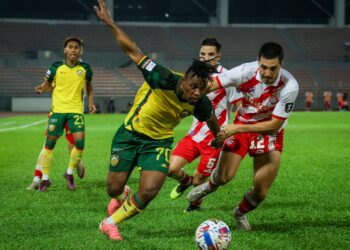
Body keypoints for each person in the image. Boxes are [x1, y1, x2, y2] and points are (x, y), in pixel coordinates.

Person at [94, 0, 220, 241]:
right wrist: (110, 23)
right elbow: (133, 51)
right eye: (193, 87)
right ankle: (121, 196)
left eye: (201, 90)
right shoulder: (162, 77)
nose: (196, 93)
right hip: (130, 134)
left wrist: (219, 138)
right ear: (184, 79)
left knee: (150, 190)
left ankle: (109, 223)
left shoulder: (200, 102)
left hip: (158, 142)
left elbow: (212, 119)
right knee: (113, 188)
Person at [187, 42, 299, 231]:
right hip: (243, 124)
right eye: (263, 67)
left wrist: (235, 129)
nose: (267, 73)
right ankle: (208, 187)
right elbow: (213, 84)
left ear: (281, 64)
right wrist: (192, 95)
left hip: (268, 132)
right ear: (258, 62)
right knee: (223, 177)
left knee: (261, 191)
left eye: (273, 68)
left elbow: (275, 124)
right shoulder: (245, 72)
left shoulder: (290, 86)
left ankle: (239, 213)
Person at [168, 38, 242, 212]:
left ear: (218, 56)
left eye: (210, 54)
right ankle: (185, 181)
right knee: (170, 169)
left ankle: (195, 204)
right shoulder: (193, 74)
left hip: (214, 138)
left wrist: (233, 130)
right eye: (202, 54)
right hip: (194, 134)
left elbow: (240, 105)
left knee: (199, 179)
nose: (205, 58)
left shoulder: (227, 77)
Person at [33, 36, 96, 192]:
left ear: (80, 51)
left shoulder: (86, 68)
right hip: (58, 111)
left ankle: (69, 173)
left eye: (76, 47)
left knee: (79, 143)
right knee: (49, 144)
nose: (73, 50)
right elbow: (47, 85)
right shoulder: (55, 67)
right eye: (70, 47)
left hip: (75, 110)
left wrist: (91, 102)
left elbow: (89, 87)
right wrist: (41, 88)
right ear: (65, 49)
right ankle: (45, 179)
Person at [27, 116, 86, 191]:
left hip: (73, 112)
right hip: (58, 112)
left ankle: (75, 163)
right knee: (47, 146)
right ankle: (36, 180)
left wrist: (90, 103)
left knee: (74, 144)